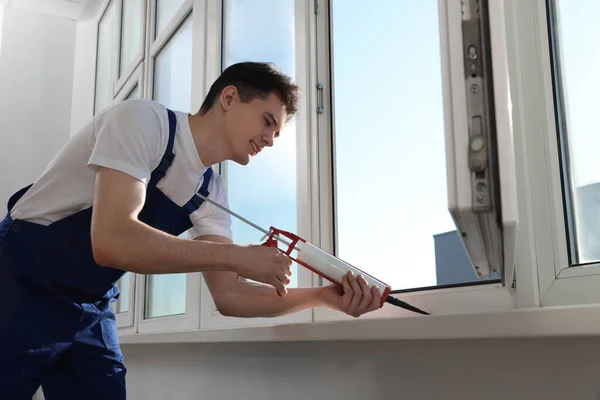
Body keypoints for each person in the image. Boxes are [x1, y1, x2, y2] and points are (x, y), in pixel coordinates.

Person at [0, 61, 382, 399]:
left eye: (277, 134)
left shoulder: (210, 190)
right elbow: (113, 241)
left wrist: (324, 297)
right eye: (267, 122)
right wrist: (238, 256)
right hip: (20, 280)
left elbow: (229, 296)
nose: (270, 139)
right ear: (229, 98)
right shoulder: (142, 122)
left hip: (90, 305)